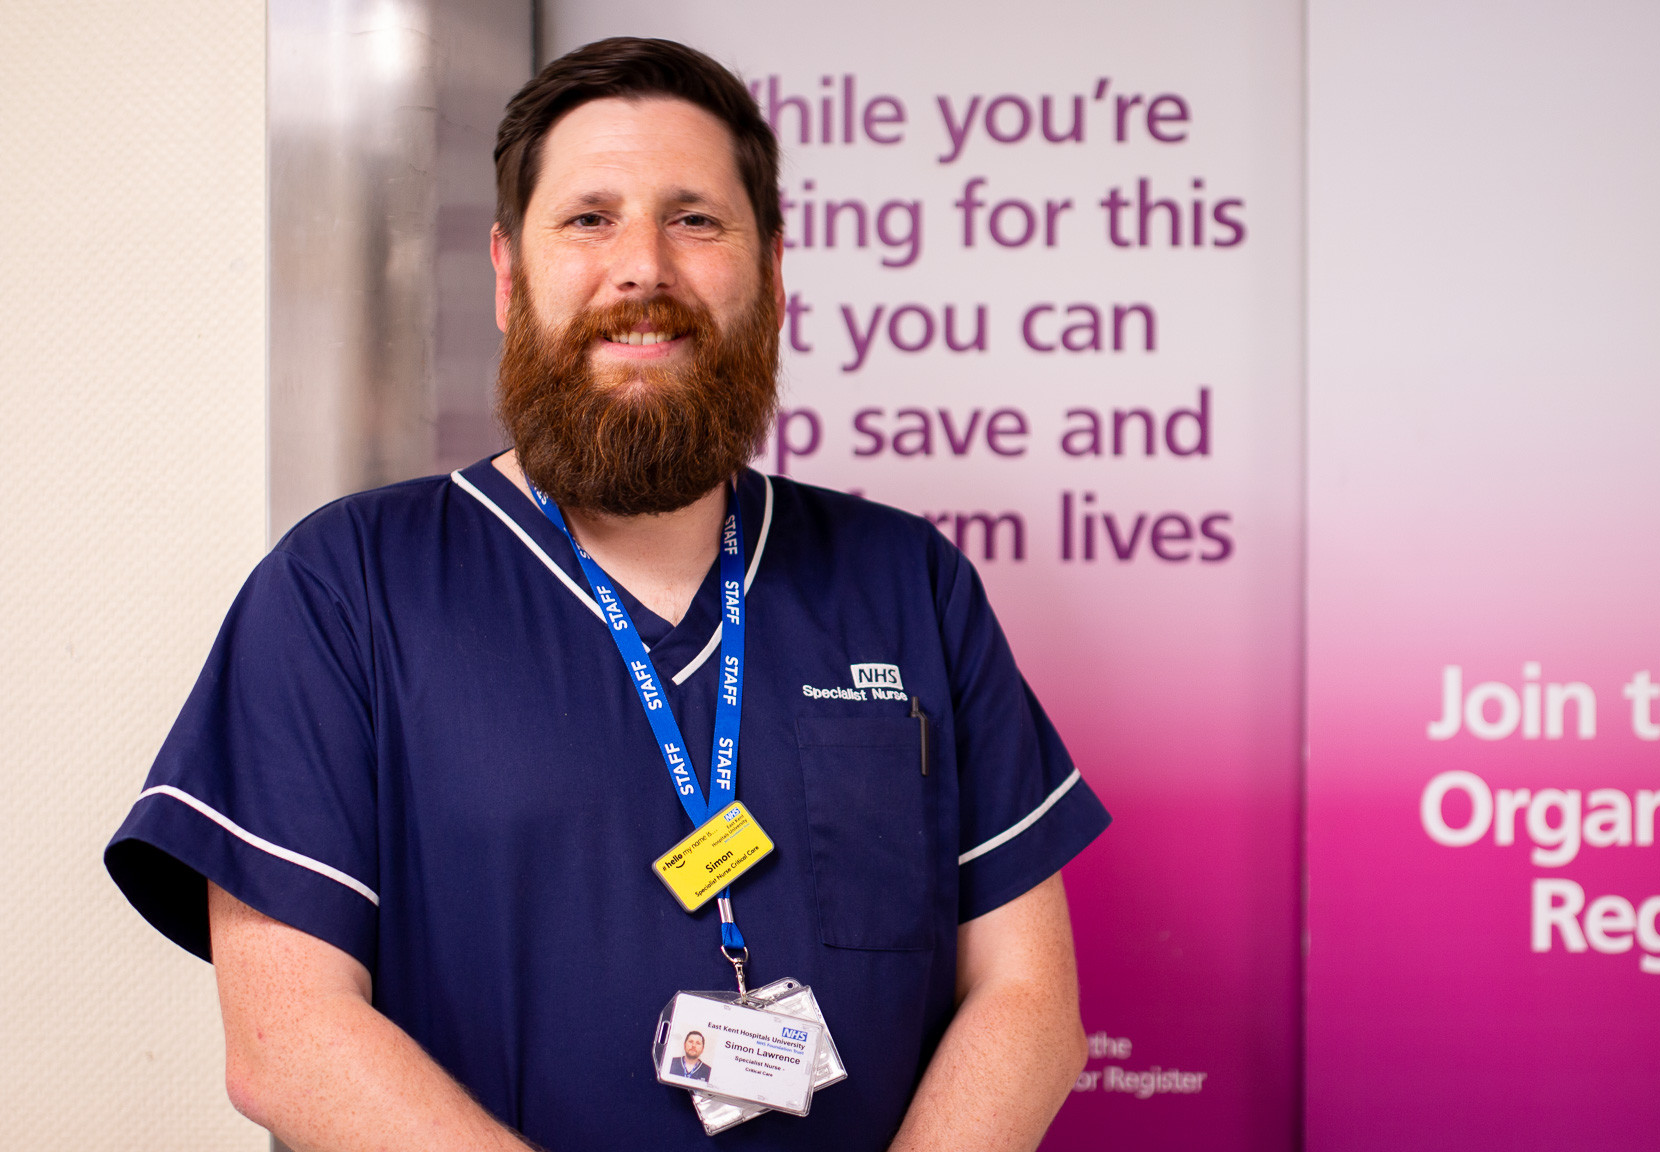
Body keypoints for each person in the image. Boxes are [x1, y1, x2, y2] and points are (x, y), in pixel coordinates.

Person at [104, 36, 1109, 1152]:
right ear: (506, 273)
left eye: (694, 219)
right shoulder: (342, 591)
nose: (643, 268)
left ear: (772, 276)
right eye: (588, 219)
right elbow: (288, 1038)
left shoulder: (909, 584)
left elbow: (1028, 1003)